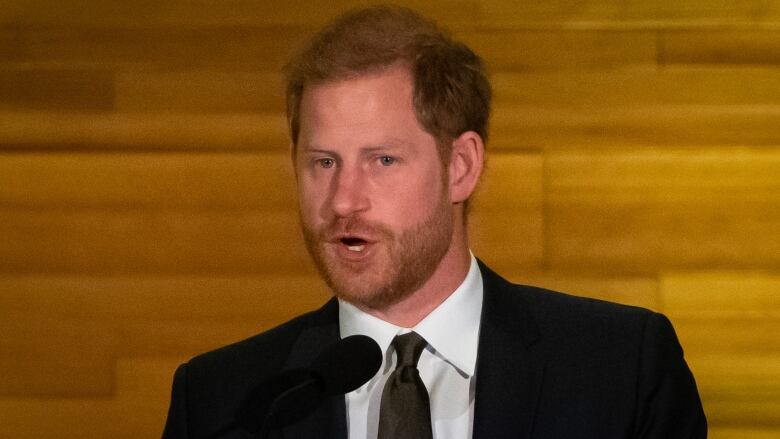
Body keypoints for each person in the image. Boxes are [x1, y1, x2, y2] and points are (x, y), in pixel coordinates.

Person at [162, 5, 706, 439]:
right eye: (324, 162)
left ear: (461, 167)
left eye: (383, 161)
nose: (344, 201)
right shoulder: (220, 401)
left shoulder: (620, 369)